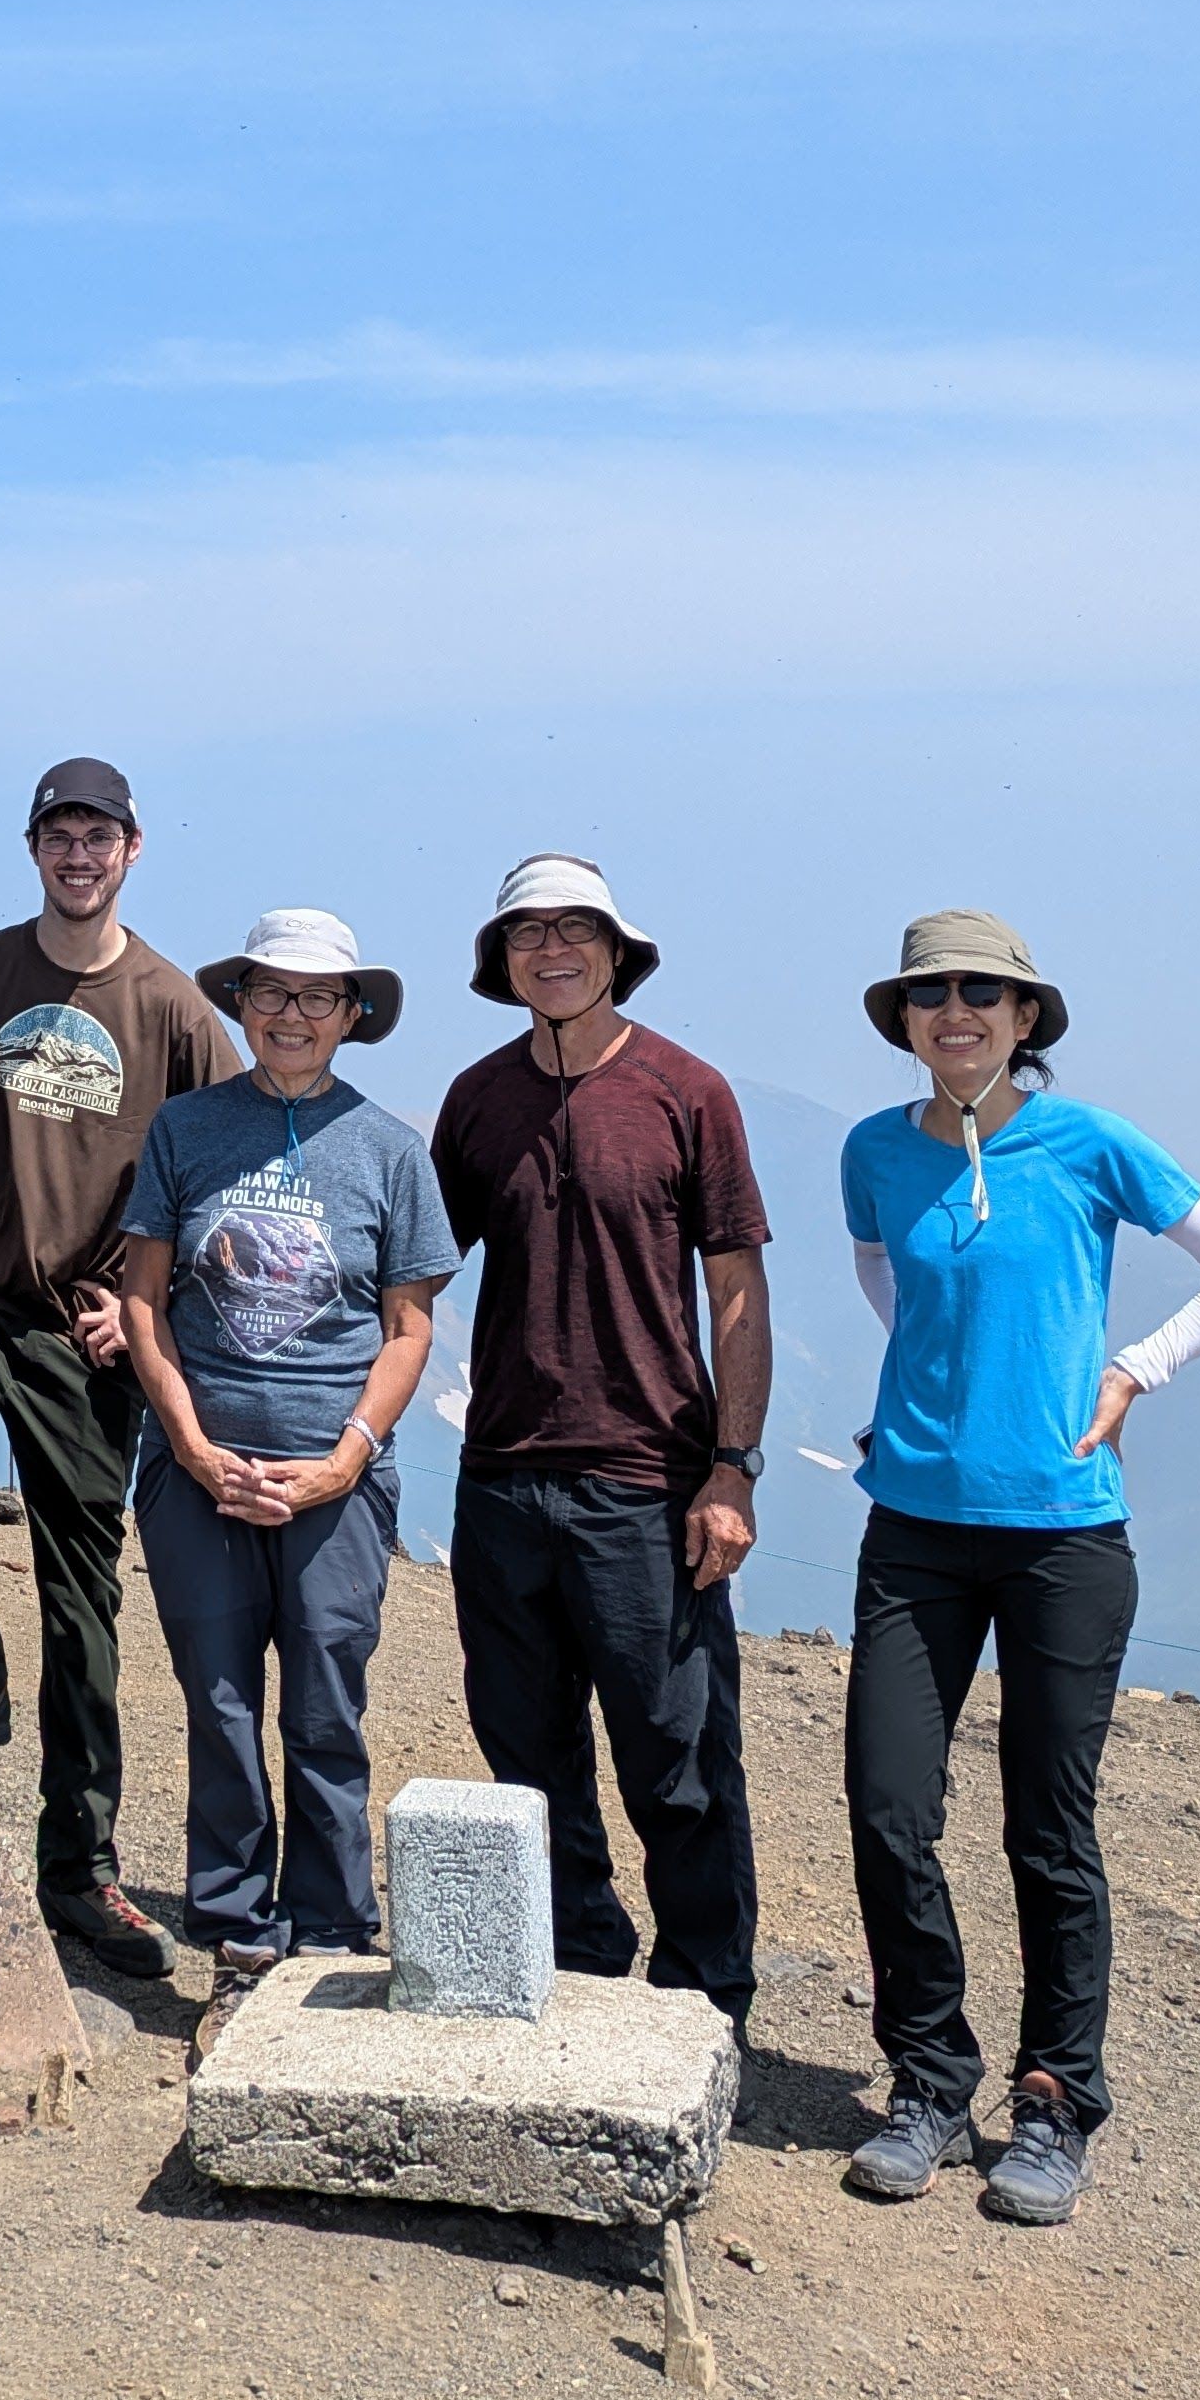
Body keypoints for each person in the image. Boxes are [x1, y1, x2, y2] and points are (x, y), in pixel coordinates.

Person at [836, 910, 1200, 2227]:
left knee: (1048, 1828)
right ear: (906, 1019)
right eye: (931, 996)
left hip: (1065, 1536)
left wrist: (1135, 1371)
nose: (954, 1013)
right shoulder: (872, 1151)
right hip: (913, 1524)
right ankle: (927, 2079)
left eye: (983, 994)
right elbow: (881, 1273)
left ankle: (1055, 2102)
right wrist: (936, 1380)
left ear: (1028, 1019)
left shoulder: (1089, 1143)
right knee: (885, 1807)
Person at [426, 853, 775, 2023]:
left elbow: (734, 1290)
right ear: (501, 961)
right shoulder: (476, 1100)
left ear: (619, 951)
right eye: (528, 933)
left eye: (577, 929)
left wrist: (732, 1467)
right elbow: (414, 1274)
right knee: (525, 1755)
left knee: (676, 1760)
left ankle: (706, 1997)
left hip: (647, 1479)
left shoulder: (689, 1091)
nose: (553, 949)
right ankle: (575, 1961)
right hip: (503, 1478)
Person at [0, 755, 237, 1978]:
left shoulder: (168, 1007)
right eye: (59, 833)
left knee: (84, 1604)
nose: (78, 854)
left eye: (98, 836)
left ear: (132, 851)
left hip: (89, 1334)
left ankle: (81, 1870)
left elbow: (232, 1169)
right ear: (33, 847)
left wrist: (152, 1308)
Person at [112, 910, 450, 1992]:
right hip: (195, 1468)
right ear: (239, 1004)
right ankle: (236, 1927)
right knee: (215, 1700)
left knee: (323, 1706)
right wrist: (191, 1444)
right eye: (269, 993)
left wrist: (347, 1457)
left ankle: (334, 1926)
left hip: (333, 1477)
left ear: (352, 1015)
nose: (290, 1015)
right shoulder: (185, 1128)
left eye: (316, 997)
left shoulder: (392, 1151)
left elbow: (408, 1329)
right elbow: (142, 1298)